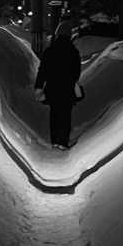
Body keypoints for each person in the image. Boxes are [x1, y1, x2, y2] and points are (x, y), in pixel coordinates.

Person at [34, 20, 82, 149]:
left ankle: (55, 140)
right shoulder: (73, 51)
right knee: (66, 115)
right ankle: (63, 141)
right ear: (69, 35)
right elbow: (77, 72)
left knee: (54, 114)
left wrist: (39, 86)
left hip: (52, 88)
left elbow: (42, 70)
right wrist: (71, 80)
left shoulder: (50, 50)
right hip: (67, 88)